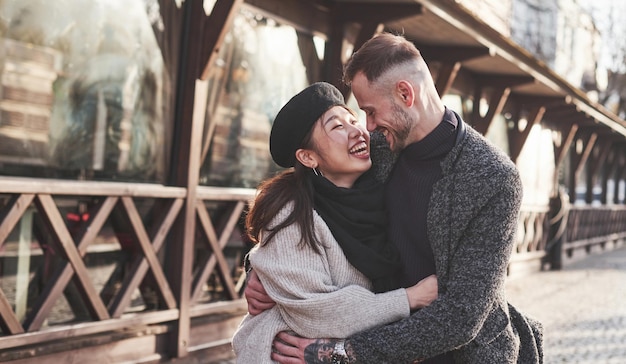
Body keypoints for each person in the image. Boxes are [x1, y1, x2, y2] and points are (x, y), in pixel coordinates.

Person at [246, 33, 544, 363]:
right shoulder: (375, 149)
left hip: (463, 355)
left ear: (405, 93)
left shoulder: (493, 177)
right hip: (380, 339)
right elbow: (307, 194)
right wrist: (261, 270)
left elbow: (462, 316)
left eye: (370, 111)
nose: (366, 126)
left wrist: (342, 353)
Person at [232, 82, 438, 363]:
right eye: (337, 127)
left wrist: (260, 266)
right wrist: (410, 298)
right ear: (307, 157)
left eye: (353, 119)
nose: (357, 131)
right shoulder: (291, 211)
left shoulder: (378, 191)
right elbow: (319, 313)